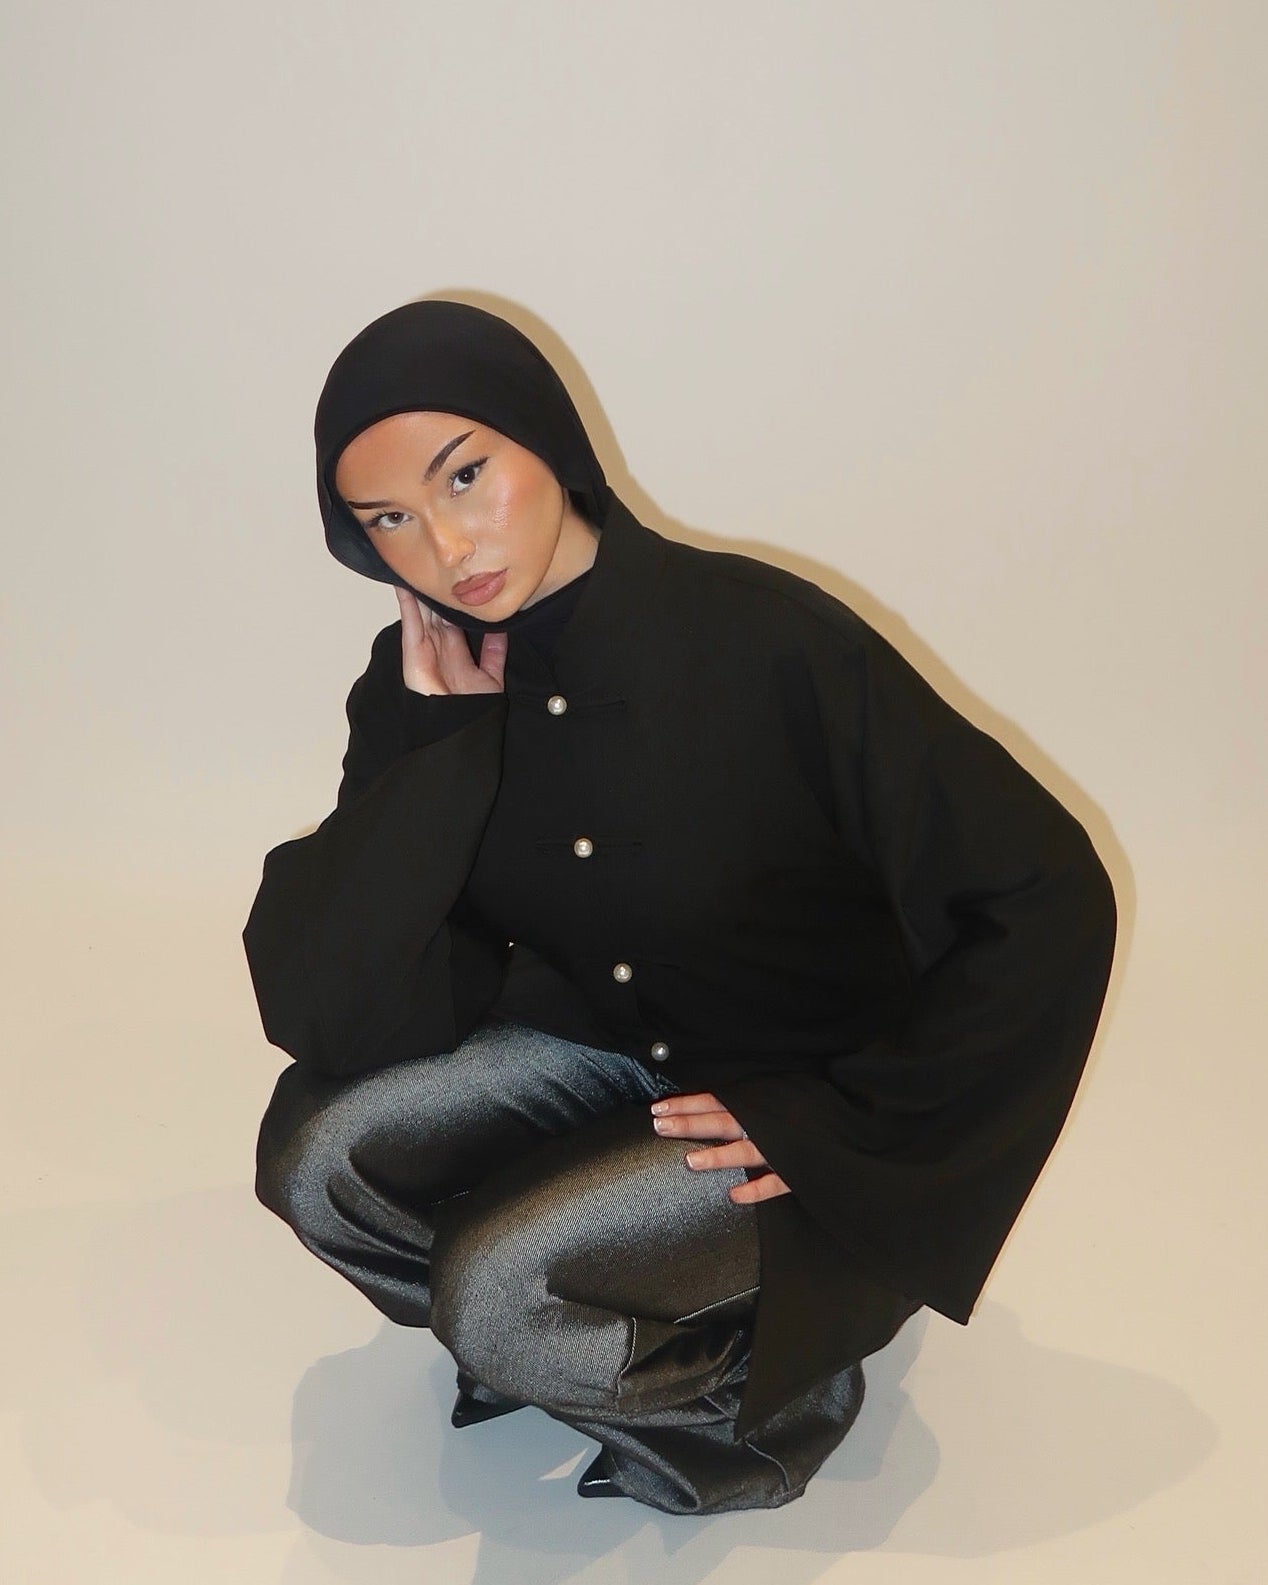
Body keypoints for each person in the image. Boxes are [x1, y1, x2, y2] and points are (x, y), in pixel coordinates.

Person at [242, 298, 1117, 1516]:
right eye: (388, 518)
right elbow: (328, 1009)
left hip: (794, 1108)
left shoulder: (764, 639)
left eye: (464, 476)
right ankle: (595, 1327)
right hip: (610, 1057)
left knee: (492, 1291)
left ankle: (755, 1409)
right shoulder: (428, 685)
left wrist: (844, 1122)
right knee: (314, 1162)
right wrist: (436, 750)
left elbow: (1044, 893)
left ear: (544, 438)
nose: (442, 546)